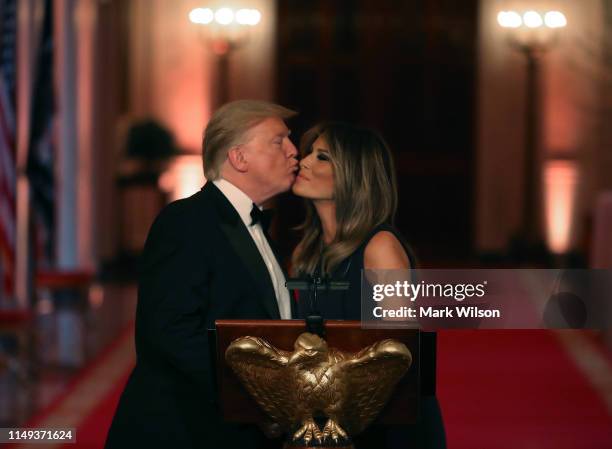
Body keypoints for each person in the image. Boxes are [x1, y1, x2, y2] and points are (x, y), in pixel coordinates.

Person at [105, 100, 298, 449]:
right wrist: (261, 400)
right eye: (278, 140)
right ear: (239, 158)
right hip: (186, 431)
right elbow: (171, 332)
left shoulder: (256, 229)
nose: (293, 151)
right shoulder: (186, 221)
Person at [291, 122, 446, 449]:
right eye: (308, 153)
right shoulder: (306, 252)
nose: (303, 161)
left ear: (353, 175)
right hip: (334, 421)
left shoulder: (380, 247)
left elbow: (400, 356)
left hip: (390, 426)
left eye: (322, 157)